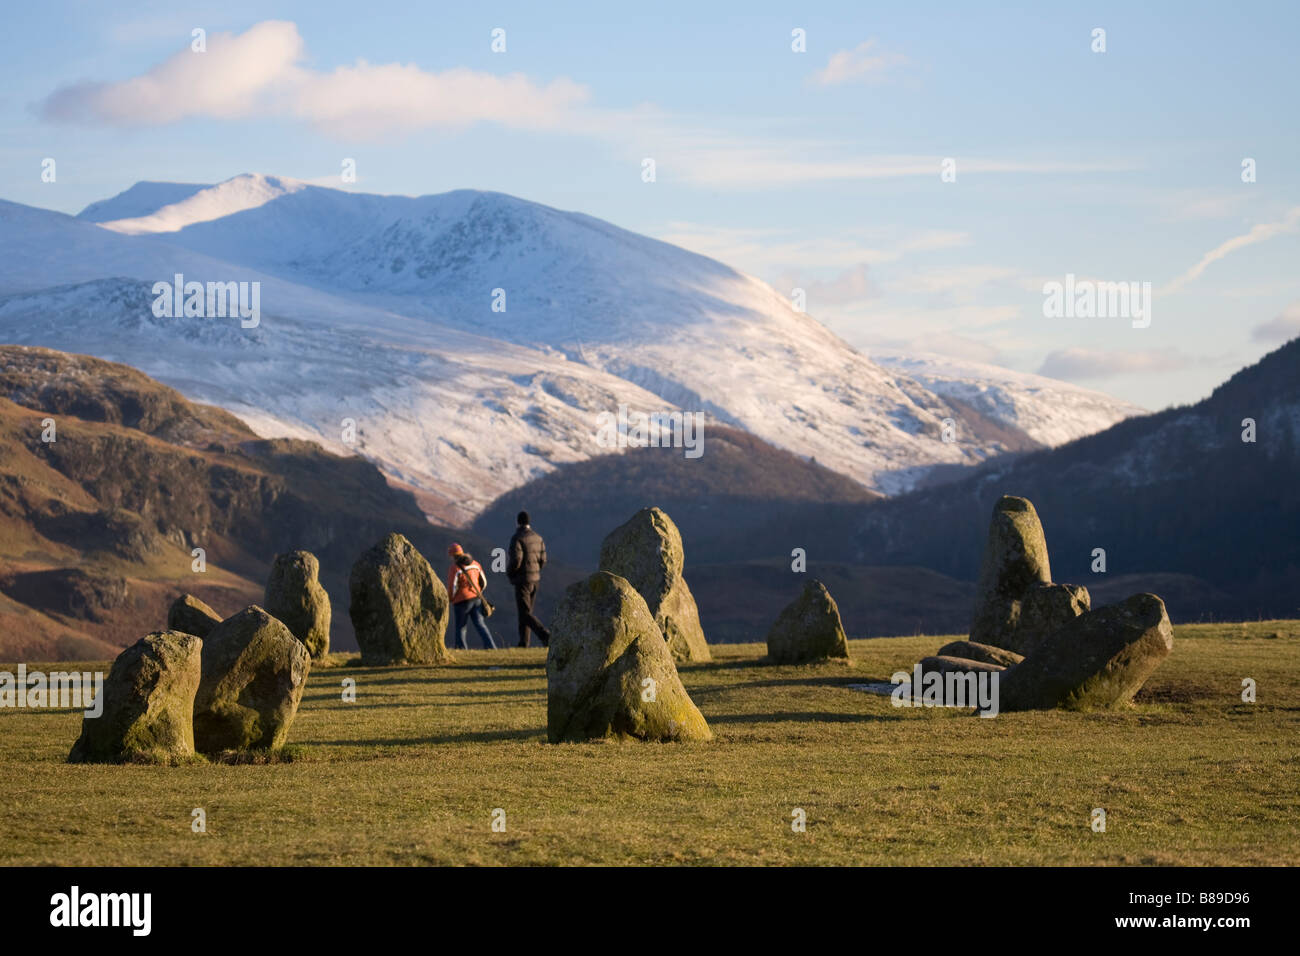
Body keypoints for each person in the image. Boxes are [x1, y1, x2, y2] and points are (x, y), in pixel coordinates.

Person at [507, 511, 551, 648]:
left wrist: (510, 572)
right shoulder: (538, 538)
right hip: (535, 579)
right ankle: (523, 642)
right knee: (526, 612)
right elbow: (543, 560)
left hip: (522, 579)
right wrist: (536, 571)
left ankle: (544, 634)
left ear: (517, 522)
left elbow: (516, 560)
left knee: (524, 613)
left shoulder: (517, 538)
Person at [446, 544, 498, 650]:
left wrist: (451, 599)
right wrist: (478, 592)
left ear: (452, 555)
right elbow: (483, 581)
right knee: (480, 624)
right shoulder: (475, 564)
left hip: (461, 602)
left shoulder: (455, 568)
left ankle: (461, 648)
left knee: (460, 627)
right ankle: (491, 647)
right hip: (476, 598)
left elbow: (453, 586)